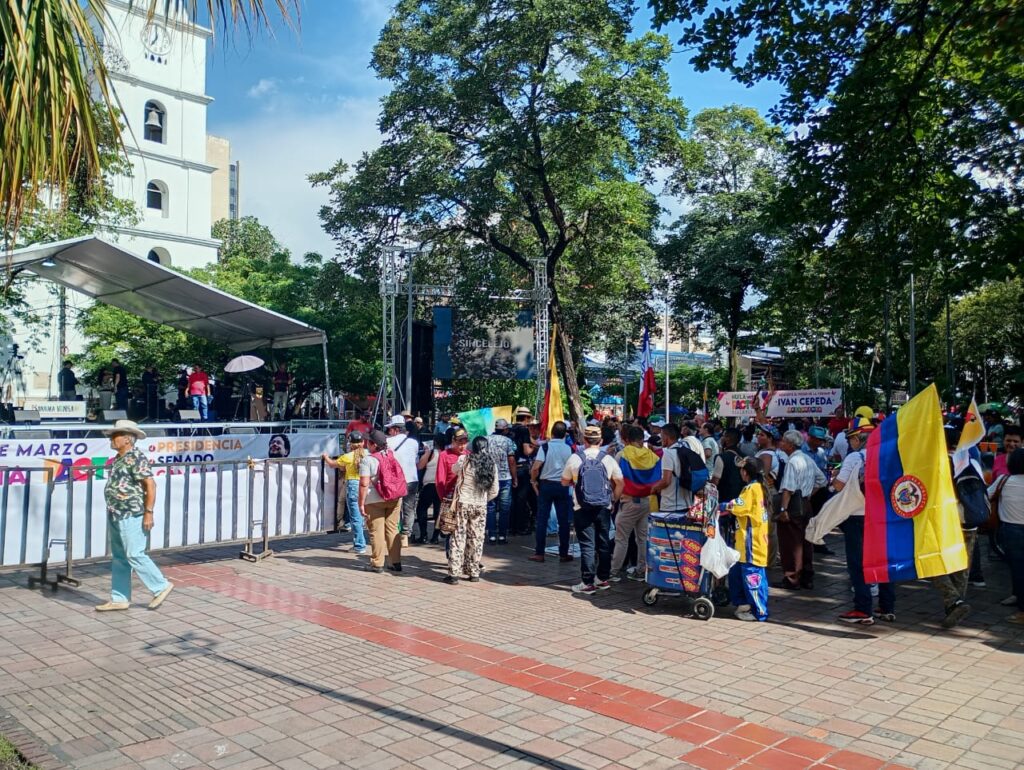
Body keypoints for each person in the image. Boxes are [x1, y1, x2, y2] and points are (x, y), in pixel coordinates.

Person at [95, 420, 173, 612]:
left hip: (132, 513)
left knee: (134, 553)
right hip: (117, 512)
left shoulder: (135, 458)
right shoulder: (119, 458)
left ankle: (160, 585)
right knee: (120, 557)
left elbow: (150, 485)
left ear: (128, 439)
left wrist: (148, 512)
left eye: (116, 435)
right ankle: (119, 598)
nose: (112, 439)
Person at [833, 418, 897, 625]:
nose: (849, 442)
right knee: (882, 561)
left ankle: (863, 608)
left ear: (858, 438)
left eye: (850, 438)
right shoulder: (888, 456)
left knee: (857, 563)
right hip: (883, 516)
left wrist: (834, 477)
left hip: (858, 516)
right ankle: (887, 607)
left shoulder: (855, 458)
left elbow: (840, 486)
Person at [562, 424, 624, 595]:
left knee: (587, 544)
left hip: (581, 507)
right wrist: (613, 499)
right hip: (604, 506)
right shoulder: (608, 459)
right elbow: (620, 482)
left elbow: (564, 481)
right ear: (601, 441)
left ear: (584, 440)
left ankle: (587, 582)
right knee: (604, 543)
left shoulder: (576, 458)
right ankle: (602, 579)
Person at [720, 457, 772, 621]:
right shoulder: (758, 487)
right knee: (737, 574)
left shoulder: (752, 489)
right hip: (745, 542)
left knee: (752, 576)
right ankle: (743, 604)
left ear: (745, 472)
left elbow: (739, 506)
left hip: (752, 543)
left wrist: (723, 505)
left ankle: (759, 611)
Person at [443, 436, 499, 583]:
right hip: (480, 505)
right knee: (477, 538)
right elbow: (495, 490)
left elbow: (454, 470)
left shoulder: (464, 460)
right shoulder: (491, 464)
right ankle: (474, 572)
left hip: (462, 502)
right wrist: (483, 500)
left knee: (458, 537)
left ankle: (454, 573)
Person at [776, 429, 827, 590]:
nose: (781, 443)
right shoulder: (807, 459)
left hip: (793, 505)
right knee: (805, 541)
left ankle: (792, 577)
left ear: (790, 445)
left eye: (784, 441)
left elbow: (788, 489)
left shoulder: (793, 462)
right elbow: (822, 480)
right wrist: (809, 494)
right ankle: (806, 575)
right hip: (805, 503)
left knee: (791, 542)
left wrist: (783, 509)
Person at [610, 424, 660, 582]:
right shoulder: (652, 456)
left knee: (622, 538)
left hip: (627, 501)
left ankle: (614, 571)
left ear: (627, 439)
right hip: (646, 501)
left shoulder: (622, 455)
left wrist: (613, 499)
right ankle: (641, 569)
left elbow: (615, 479)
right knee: (643, 538)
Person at [358, 430, 404, 573]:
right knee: (392, 529)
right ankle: (395, 562)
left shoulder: (368, 460)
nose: (366, 444)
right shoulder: (392, 454)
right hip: (395, 497)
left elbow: (364, 484)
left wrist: (361, 503)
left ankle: (377, 563)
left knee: (376, 531)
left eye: (368, 442)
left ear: (373, 444)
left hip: (374, 500)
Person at [529, 421, 574, 563]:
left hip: (546, 485)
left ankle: (539, 553)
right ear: (565, 434)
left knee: (542, 519)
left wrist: (533, 480)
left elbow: (536, 467)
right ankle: (564, 553)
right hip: (563, 485)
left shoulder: (545, 447)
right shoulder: (569, 449)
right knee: (564, 521)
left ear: (552, 433)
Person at [323, 431, 368, 554]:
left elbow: (332, 464)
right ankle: (367, 542)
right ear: (363, 442)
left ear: (350, 444)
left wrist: (326, 457)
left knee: (356, 517)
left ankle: (359, 545)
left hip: (353, 485)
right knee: (363, 515)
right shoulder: (368, 454)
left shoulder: (347, 457)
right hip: (366, 485)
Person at [992, 448, 1024, 623]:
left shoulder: (1003, 481)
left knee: (1018, 571)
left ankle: (1022, 611)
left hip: (1011, 532)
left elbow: (986, 496)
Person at [385, 415, 420, 547]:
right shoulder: (414, 443)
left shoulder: (388, 443)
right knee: (409, 508)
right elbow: (415, 460)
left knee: (394, 508)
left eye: (389, 429)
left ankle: (394, 534)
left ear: (395, 429)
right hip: (412, 478)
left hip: (397, 480)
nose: (389, 432)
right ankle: (405, 535)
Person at [485, 418, 517, 544]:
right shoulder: (508, 441)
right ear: (505, 429)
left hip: (490, 477)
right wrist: (515, 477)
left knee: (491, 507)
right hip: (505, 478)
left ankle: (492, 535)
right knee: (504, 508)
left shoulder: (486, 439)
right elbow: (512, 461)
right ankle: (502, 536)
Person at [415, 433, 444, 543]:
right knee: (438, 511)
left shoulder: (432, 453)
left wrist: (426, 452)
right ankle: (435, 537)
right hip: (441, 485)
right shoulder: (446, 454)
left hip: (429, 485)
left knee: (421, 509)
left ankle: (423, 535)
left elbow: (420, 466)